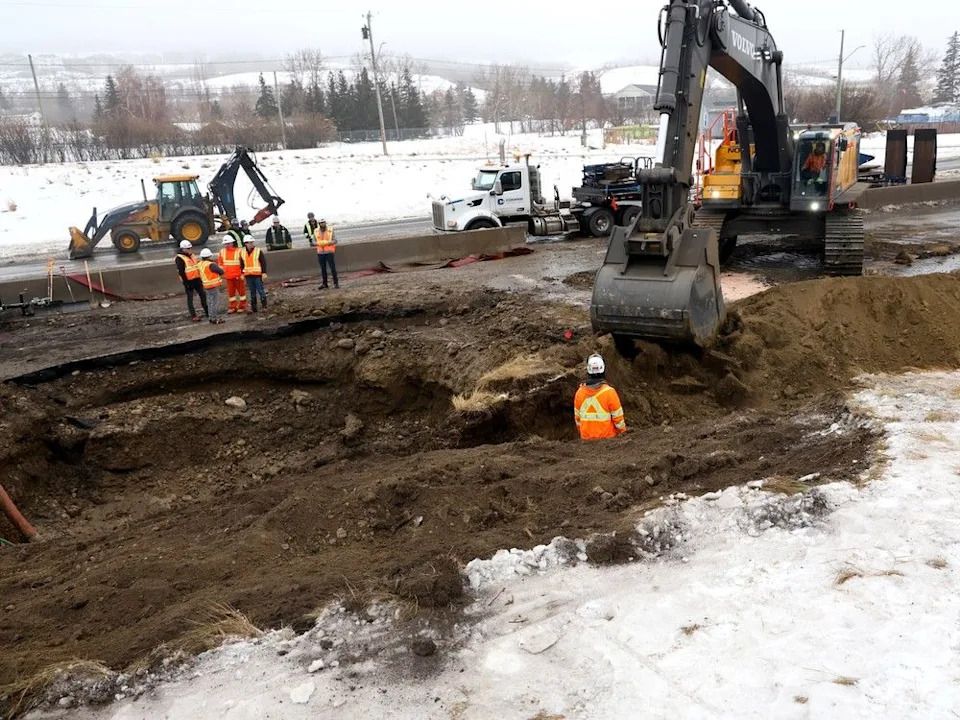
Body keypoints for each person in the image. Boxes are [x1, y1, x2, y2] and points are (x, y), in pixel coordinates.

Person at [573, 354, 626, 440]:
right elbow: (618, 420)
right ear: (603, 370)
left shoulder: (579, 393)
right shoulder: (609, 392)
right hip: (607, 440)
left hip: (586, 441)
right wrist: (623, 433)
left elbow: (578, 421)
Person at [174, 240, 208, 322]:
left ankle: (208, 312)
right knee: (190, 299)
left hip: (197, 279)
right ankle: (193, 315)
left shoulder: (192, 255)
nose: (190, 250)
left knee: (203, 296)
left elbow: (196, 266)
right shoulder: (179, 258)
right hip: (188, 282)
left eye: (190, 248)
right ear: (183, 249)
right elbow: (181, 272)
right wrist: (186, 283)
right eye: (188, 249)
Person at [197, 248, 226, 324]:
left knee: (210, 302)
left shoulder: (200, 264)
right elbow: (221, 271)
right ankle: (214, 318)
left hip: (206, 286)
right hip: (213, 286)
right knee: (214, 303)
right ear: (209, 256)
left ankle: (211, 317)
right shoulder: (211, 264)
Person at [218, 235, 246, 312]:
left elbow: (244, 263)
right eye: (225, 244)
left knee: (241, 292)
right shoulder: (222, 252)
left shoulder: (239, 251)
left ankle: (242, 306)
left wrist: (243, 274)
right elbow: (220, 264)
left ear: (232, 243)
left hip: (238, 276)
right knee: (231, 293)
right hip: (228, 276)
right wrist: (222, 274)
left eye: (228, 243)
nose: (226, 245)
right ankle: (232, 306)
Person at [241, 237, 268, 312]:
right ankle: (254, 308)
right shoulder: (242, 252)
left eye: (252, 242)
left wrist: (264, 273)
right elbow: (242, 264)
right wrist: (242, 273)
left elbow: (263, 262)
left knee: (260, 290)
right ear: (246, 243)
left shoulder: (258, 251)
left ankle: (264, 306)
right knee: (252, 292)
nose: (252, 244)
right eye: (250, 243)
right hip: (248, 275)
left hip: (257, 275)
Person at [315, 218, 338, 289]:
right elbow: (313, 241)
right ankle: (325, 284)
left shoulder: (330, 230)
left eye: (323, 222)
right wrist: (317, 243)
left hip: (329, 252)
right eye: (321, 223)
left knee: (332, 268)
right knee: (323, 269)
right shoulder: (316, 231)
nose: (322, 224)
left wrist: (327, 243)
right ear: (319, 224)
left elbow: (335, 240)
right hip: (320, 252)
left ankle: (336, 283)